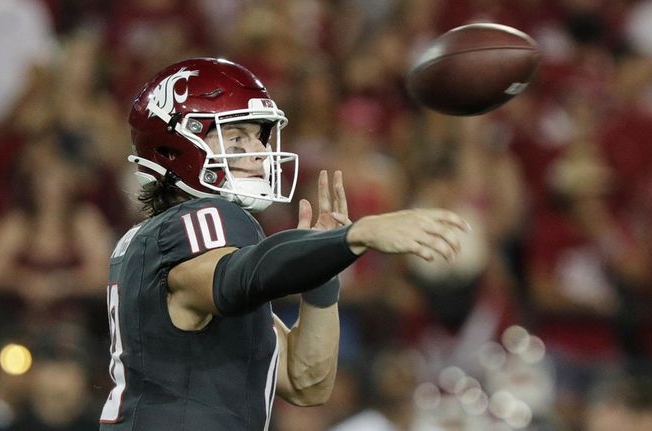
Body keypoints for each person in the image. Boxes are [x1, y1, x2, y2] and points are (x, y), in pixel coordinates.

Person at [98, 57, 470, 431]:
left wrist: (321, 272)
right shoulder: (201, 220)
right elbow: (231, 278)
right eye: (236, 136)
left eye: (258, 137)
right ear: (176, 144)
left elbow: (306, 382)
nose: (259, 152)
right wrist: (356, 236)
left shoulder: (157, 238)